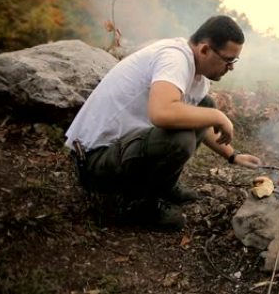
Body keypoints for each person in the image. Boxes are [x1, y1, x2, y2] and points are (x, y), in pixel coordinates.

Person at [65, 15, 262, 230]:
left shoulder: (198, 75)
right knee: (181, 137)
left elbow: (201, 123)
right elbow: (162, 113)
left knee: (204, 106)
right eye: (228, 60)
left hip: (120, 150)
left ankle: (163, 187)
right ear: (205, 50)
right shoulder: (174, 59)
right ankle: (135, 207)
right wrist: (218, 116)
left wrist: (233, 156)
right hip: (94, 161)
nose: (231, 67)